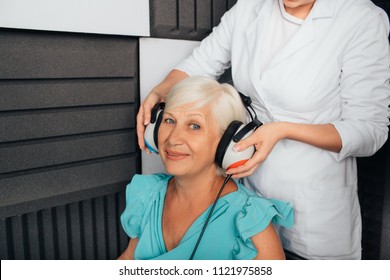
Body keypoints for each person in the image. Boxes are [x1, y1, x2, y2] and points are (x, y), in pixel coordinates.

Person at [136, 0, 390, 259]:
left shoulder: (361, 18)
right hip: (247, 194)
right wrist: (161, 90)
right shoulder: (249, 7)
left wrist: (282, 130)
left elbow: (370, 130)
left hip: (314, 212)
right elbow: (198, 65)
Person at [118, 77, 293, 260]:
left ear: (226, 142)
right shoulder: (147, 195)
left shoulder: (249, 220)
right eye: (169, 121)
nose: (173, 139)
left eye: (194, 126)